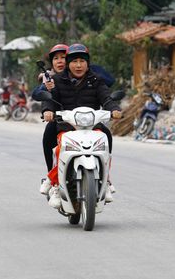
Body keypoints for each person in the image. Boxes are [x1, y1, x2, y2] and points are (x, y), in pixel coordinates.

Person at [40, 43, 122, 208]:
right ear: (68, 64)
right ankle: (55, 184)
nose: (78, 65)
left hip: (92, 125)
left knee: (106, 138)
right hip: (66, 126)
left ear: (88, 63)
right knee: (59, 148)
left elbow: (106, 98)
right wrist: (48, 111)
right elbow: (49, 99)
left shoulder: (96, 80)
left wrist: (114, 109)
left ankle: (105, 180)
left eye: (82, 61)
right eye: (74, 61)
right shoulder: (56, 80)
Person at [32, 44, 68, 183]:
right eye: (56, 58)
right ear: (51, 62)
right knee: (48, 135)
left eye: (64, 58)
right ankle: (51, 178)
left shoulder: (83, 74)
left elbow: (106, 82)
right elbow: (39, 93)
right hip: (61, 120)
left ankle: (105, 178)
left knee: (105, 133)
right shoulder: (50, 78)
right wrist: (47, 110)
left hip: (84, 119)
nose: (60, 61)